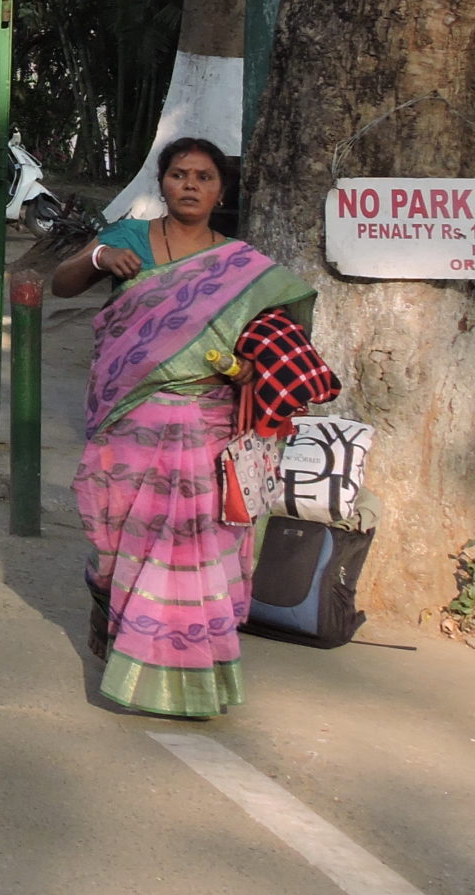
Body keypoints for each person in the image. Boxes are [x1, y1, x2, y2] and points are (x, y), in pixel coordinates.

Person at [53, 136, 315, 718]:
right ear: (162, 183)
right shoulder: (128, 239)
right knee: (116, 535)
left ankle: (182, 677)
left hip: (208, 428)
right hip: (128, 420)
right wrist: (97, 259)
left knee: (193, 547)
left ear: (221, 191)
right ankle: (113, 615)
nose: (190, 185)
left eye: (203, 177)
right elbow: (61, 285)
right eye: (178, 175)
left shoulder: (242, 267)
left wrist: (247, 369)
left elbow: (275, 347)